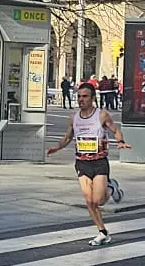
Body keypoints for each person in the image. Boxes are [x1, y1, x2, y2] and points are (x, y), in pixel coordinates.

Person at [45, 78, 128, 244]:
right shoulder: (73, 118)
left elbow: (115, 129)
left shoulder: (101, 115)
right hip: (82, 162)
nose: (81, 100)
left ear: (92, 98)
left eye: (85, 96)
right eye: (79, 96)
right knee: (89, 201)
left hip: (99, 162)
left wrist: (120, 141)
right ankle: (102, 232)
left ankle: (111, 188)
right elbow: (68, 137)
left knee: (98, 200)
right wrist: (57, 147)